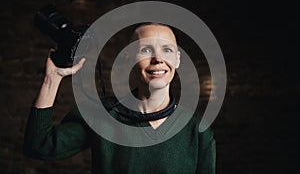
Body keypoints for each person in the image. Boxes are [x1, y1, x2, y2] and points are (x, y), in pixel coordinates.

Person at [24, 23, 216, 173]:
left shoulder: (197, 130)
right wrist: (52, 79)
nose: (158, 59)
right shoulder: (103, 115)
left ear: (177, 59)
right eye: (146, 50)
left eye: (167, 50)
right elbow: (39, 146)